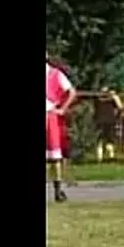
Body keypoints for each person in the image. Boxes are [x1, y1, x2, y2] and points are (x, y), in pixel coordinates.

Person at [46, 52, 77, 203]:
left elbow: (71, 91)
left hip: (50, 114)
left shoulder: (55, 74)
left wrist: (62, 109)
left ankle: (58, 190)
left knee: (54, 155)